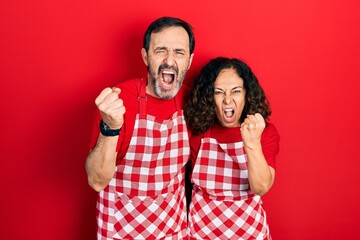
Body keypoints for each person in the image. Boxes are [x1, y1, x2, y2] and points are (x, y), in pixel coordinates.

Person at [85, 16, 195, 239]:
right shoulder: (118, 102)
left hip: (172, 232)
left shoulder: (192, 101)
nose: (170, 60)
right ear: (146, 56)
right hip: (121, 232)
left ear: (190, 61)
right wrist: (111, 127)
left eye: (179, 52)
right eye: (161, 50)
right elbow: (96, 181)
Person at [185, 57, 280, 239]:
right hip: (202, 233)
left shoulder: (264, 132)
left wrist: (252, 143)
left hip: (249, 232)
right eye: (219, 92)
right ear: (209, 97)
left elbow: (261, 187)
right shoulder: (196, 134)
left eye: (235, 91)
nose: (228, 100)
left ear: (246, 94)